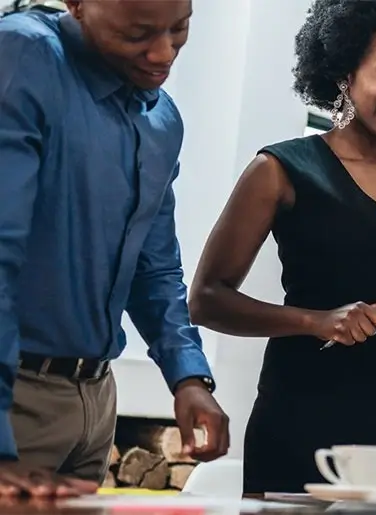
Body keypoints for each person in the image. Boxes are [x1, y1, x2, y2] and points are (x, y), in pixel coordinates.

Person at [187, 0, 376, 494]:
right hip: (302, 415)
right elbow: (206, 298)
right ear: (343, 71)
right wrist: (315, 321)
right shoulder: (279, 169)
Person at [0, 0, 229, 498]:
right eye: (139, 33)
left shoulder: (163, 119)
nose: (163, 52)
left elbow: (155, 265)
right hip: (14, 400)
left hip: (96, 402)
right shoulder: (21, 56)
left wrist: (188, 376)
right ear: (78, 5)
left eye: (180, 28)